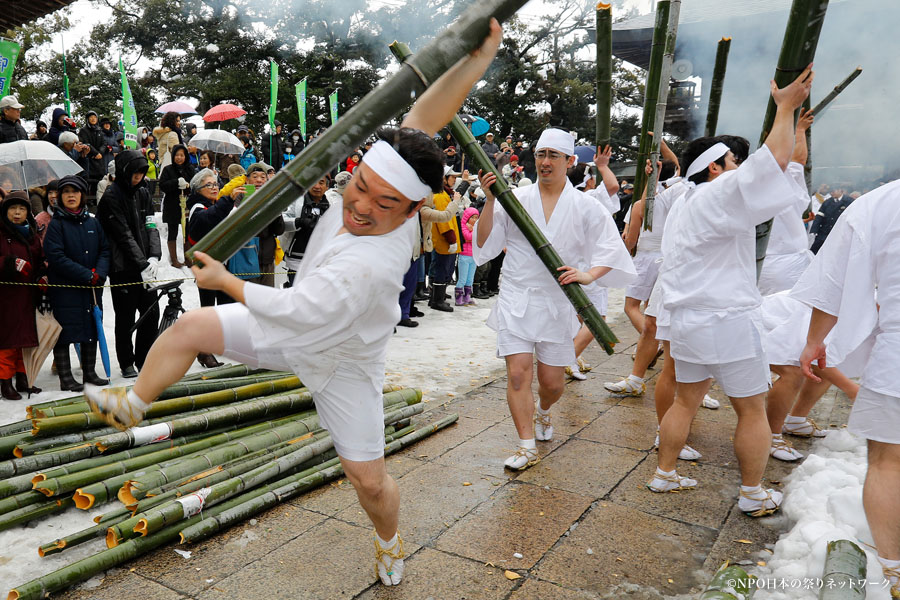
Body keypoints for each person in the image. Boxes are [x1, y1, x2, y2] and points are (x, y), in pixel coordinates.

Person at [83, 20, 503, 588]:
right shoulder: (381, 184)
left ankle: (389, 540)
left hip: (343, 362)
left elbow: (299, 311)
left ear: (410, 213)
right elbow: (422, 121)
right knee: (190, 328)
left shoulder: (375, 264)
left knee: (368, 481)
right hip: (293, 330)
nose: (360, 207)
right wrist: (475, 60)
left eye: (383, 203)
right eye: (359, 188)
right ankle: (133, 402)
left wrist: (229, 282)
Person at [649, 65, 814, 519]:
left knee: (685, 400)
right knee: (752, 410)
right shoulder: (715, 195)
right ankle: (753, 491)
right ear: (716, 168)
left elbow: (767, 171)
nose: (738, 169)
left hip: (687, 318)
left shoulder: (684, 202)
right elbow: (773, 163)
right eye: (732, 164)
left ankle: (664, 472)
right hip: (726, 317)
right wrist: (785, 109)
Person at [474, 128, 636, 470]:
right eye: (540, 155)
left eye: (553, 156)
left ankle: (544, 412)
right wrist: (490, 200)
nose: (545, 162)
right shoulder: (516, 197)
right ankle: (526, 445)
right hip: (517, 295)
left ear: (570, 161)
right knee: (518, 375)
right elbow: (486, 244)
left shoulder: (586, 205)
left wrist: (589, 275)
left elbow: (612, 247)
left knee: (551, 383)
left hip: (556, 300)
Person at [793, 179, 900, 598]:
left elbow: (833, 279)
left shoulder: (882, 201)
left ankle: (894, 570)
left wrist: (815, 340)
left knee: (889, 461)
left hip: (897, 354)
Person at [96, 150, 162, 378]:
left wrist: (154, 256)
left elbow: (151, 226)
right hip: (122, 267)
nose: (139, 177)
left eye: (142, 173)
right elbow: (123, 234)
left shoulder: (143, 193)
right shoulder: (111, 197)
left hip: (145, 265)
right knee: (126, 317)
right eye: (135, 173)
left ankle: (146, 359)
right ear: (125, 172)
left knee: (151, 313)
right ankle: (126, 361)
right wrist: (142, 264)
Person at [44, 175, 111, 391]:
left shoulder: (92, 222)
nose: (71, 195)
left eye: (75, 191)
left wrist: (99, 273)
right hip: (66, 289)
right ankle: (66, 377)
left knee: (90, 328)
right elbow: (56, 256)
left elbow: (104, 250)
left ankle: (89, 373)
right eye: (66, 192)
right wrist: (85, 274)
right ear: (60, 197)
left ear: (82, 195)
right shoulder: (57, 225)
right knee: (64, 332)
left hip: (91, 288)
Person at [757, 109, 815, 295]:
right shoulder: (777, 176)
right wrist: (799, 131)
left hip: (761, 265)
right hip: (785, 266)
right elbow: (798, 161)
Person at [0, 190, 47, 399]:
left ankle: (23, 377)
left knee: (26, 341)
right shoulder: (1, 232)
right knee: (8, 341)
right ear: (5, 211)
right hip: (6, 296)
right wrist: (11, 263)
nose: (17, 213)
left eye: (22, 209)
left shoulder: (32, 234)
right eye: (12, 208)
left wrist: (43, 274)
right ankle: (5, 382)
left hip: (28, 294)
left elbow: (39, 259)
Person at [282, 175, 330, 286]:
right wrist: (299, 222)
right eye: (313, 182)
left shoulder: (331, 205)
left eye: (321, 183)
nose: (317, 186)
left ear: (327, 186)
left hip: (320, 262)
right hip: (295, 260)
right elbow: (282, 221)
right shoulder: (296, 201)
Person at [243, 163, 284, 287]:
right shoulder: (240, 197)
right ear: (247, 179)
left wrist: (275, 209)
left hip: (267, 258)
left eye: (263, 177)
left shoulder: (270, 199)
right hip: (246, 259)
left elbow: (280, 229)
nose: (259, 180)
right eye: (255, 177)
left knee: (267, 299)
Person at [429, 166, 462, 312]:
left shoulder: (445, 194)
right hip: (445, 241)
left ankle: (436, 299)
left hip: (445, 240)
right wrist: (452, 240)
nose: (455, 179)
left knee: (443, 269)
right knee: (442, 270)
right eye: (452, 177)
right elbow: (444, 221)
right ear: (443, 178)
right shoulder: (441, 196)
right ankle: (437, 301)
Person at [157, 145, 196, 267]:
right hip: (172, 204)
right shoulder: (168, 169)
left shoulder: (190, 169)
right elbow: (163, 185)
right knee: (172, 231)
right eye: (177, 155)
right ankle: (174, 259)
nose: (179, 158)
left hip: (186, 204)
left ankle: (188, 257)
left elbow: (195, 184)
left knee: (188, 231)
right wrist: (176, 183)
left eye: (182, 155)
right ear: (173, 156)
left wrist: (188, 186)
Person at [809, 186, 853, 253]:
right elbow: (819, 216)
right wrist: (814, 230)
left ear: (840, 190)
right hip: (825, 232)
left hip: (840, 232)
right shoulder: (827, 202)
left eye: (834, 191)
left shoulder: (849, 201)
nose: (832, 193)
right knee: (815, 250)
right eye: (831, 192)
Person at [77, 111, 107, 194]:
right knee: (89, 180)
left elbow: (104, 143)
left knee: (100, 180)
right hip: (89, 159)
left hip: (99, 159)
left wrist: (100, 153)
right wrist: (95, 153)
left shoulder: (100, 130)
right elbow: (86, 143)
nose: (93, 119)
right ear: (87, 119)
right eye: (91, 117)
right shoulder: (83, 130)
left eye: (95, 117)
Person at [455, 207, 479, 306]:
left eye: (476, 217)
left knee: (470, 279)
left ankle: (467, 297)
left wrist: (473, 231)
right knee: (462, 279)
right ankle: (458, 298)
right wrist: (473, 233)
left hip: (474, 256)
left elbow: (479, 238)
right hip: (464, 256)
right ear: (467, 217)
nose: (475, 220)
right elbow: (468, 237)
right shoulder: (463, 226)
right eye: (472, 217)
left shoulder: (475, 227)